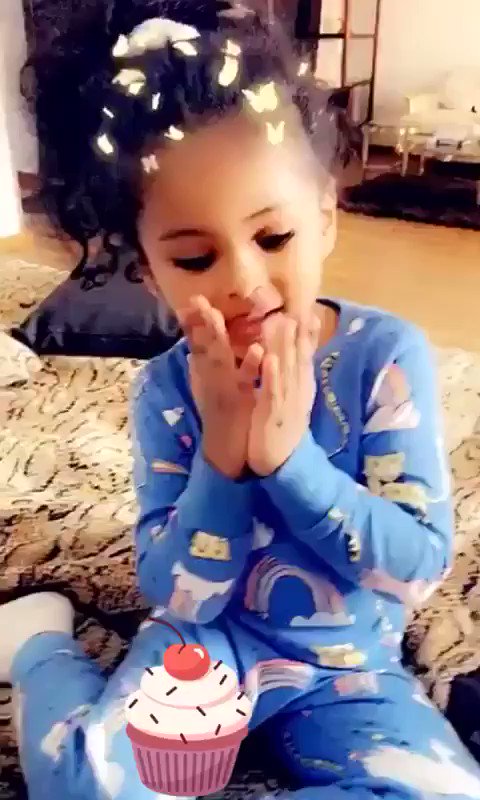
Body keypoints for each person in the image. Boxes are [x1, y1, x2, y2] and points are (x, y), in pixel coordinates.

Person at [1, 2, 479, 799]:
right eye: (195, 258)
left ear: (323, 218)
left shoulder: (384, 359)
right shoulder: (166, 390)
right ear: (149, 271)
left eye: (273, 238)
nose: (245, 283)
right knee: (91, 783)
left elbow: (415, 569)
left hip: (350, 670)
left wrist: (292, 464)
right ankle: (36, 646)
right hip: (210, 648)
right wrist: (221, 463)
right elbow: (180, 592)